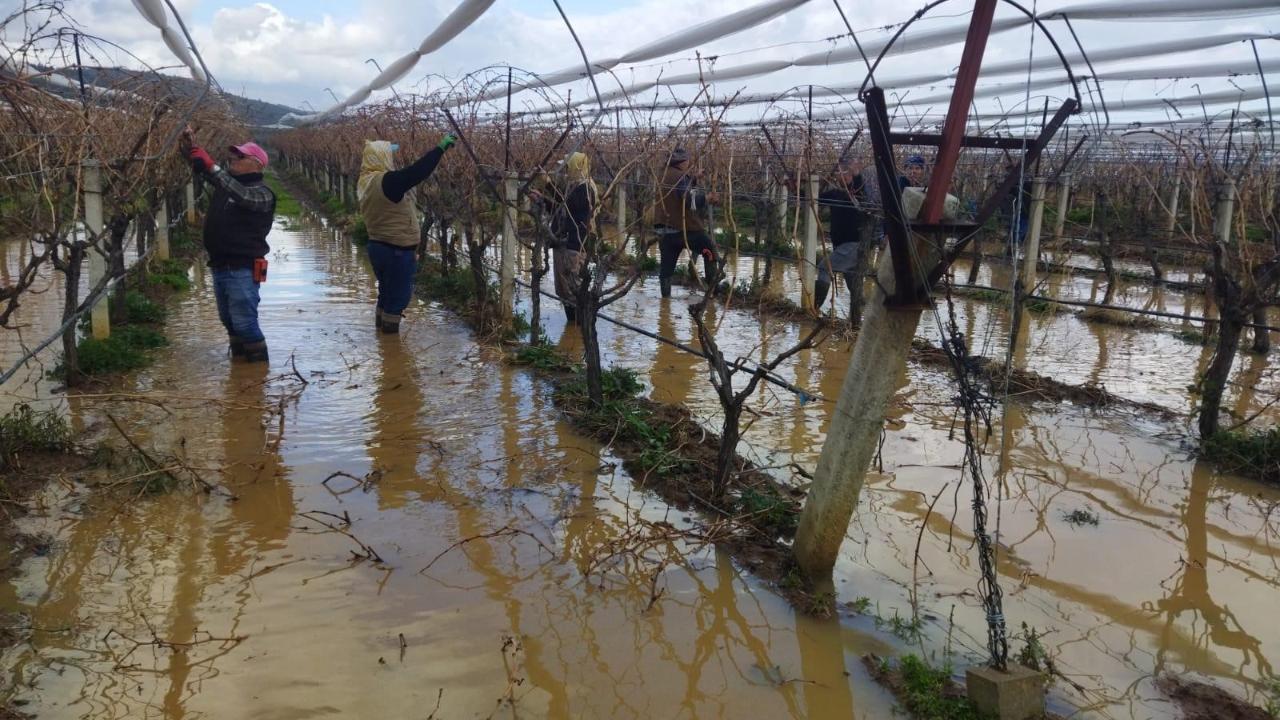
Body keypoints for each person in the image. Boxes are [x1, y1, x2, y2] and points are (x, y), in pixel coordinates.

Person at [182, 129, 276, 363]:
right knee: (229, 321)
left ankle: (258, 376)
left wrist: (212, 167)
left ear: (256, 164)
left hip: (243, 267)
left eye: (240, 156)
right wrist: (189, 147)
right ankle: (242, 372)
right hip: (220, 266)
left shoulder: (262, 194)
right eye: (234, 156)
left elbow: (241, 195)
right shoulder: (227, 186)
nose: (234, 159)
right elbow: (213, 175)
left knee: (244, 322)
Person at [357, 134, 456, 334]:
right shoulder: (387, 182)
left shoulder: (366, 181)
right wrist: (439, 149)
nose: (392, 158)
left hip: (378, 247)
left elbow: (407, 176)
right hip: (396, 252)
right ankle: (391, 350)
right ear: (380, 158)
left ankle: (381, 340)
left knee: (386, 294)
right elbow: (416, 173)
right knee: (398, 299)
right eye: (388, 154)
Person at [531, 152, 598, 323]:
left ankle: (579, 328)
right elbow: (560, 208)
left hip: (576, 244)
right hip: (564, 241)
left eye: (568, 166)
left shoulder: (586, 188)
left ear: (577, 167)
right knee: (563, 289)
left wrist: (548, 184)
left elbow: (566, 205)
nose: (566, 170)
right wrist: (542, 199)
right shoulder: (574, 186)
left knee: (572, 289)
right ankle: (573, 328)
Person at [654, 148, 719, 298]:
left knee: (666, 269)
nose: (689, 163)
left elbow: (679, 187)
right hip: (684, 230)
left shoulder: (663, 174)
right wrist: (706, 198)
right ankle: (713, 290)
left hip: (664, 231)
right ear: (682, 162)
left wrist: (693, 178)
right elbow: (688, 200)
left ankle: (665, 302)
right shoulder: (680, 176)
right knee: (709, 250)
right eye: (688, 161)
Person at [813, 160, 870, 309]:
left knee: (825, 266)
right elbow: (814, 199)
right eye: (839, 172)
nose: (842, 175)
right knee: (853, 283)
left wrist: (857, 176)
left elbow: (860, 192)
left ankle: (814, 308)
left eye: (845, 171)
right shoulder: (835, 194)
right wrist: (797, 189)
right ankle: (862, 316)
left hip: (853, 244)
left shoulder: (856, 193)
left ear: (851, 173)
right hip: (842, 246)